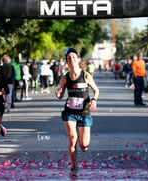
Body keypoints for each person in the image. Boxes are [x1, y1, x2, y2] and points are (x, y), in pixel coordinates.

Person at [55, 48, 99, 177]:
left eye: (74, 57)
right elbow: (61, 95)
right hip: (70, 111)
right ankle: (74, 165)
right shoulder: (65, 78)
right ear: (67, 62)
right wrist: (58, 93)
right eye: (69, 58)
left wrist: (94, 100)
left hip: (84, 111)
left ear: (78, 59)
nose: (72, 59)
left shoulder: (85, 75)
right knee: (72, 138)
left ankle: (82, 139)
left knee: (84, 145)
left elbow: (96, 90)